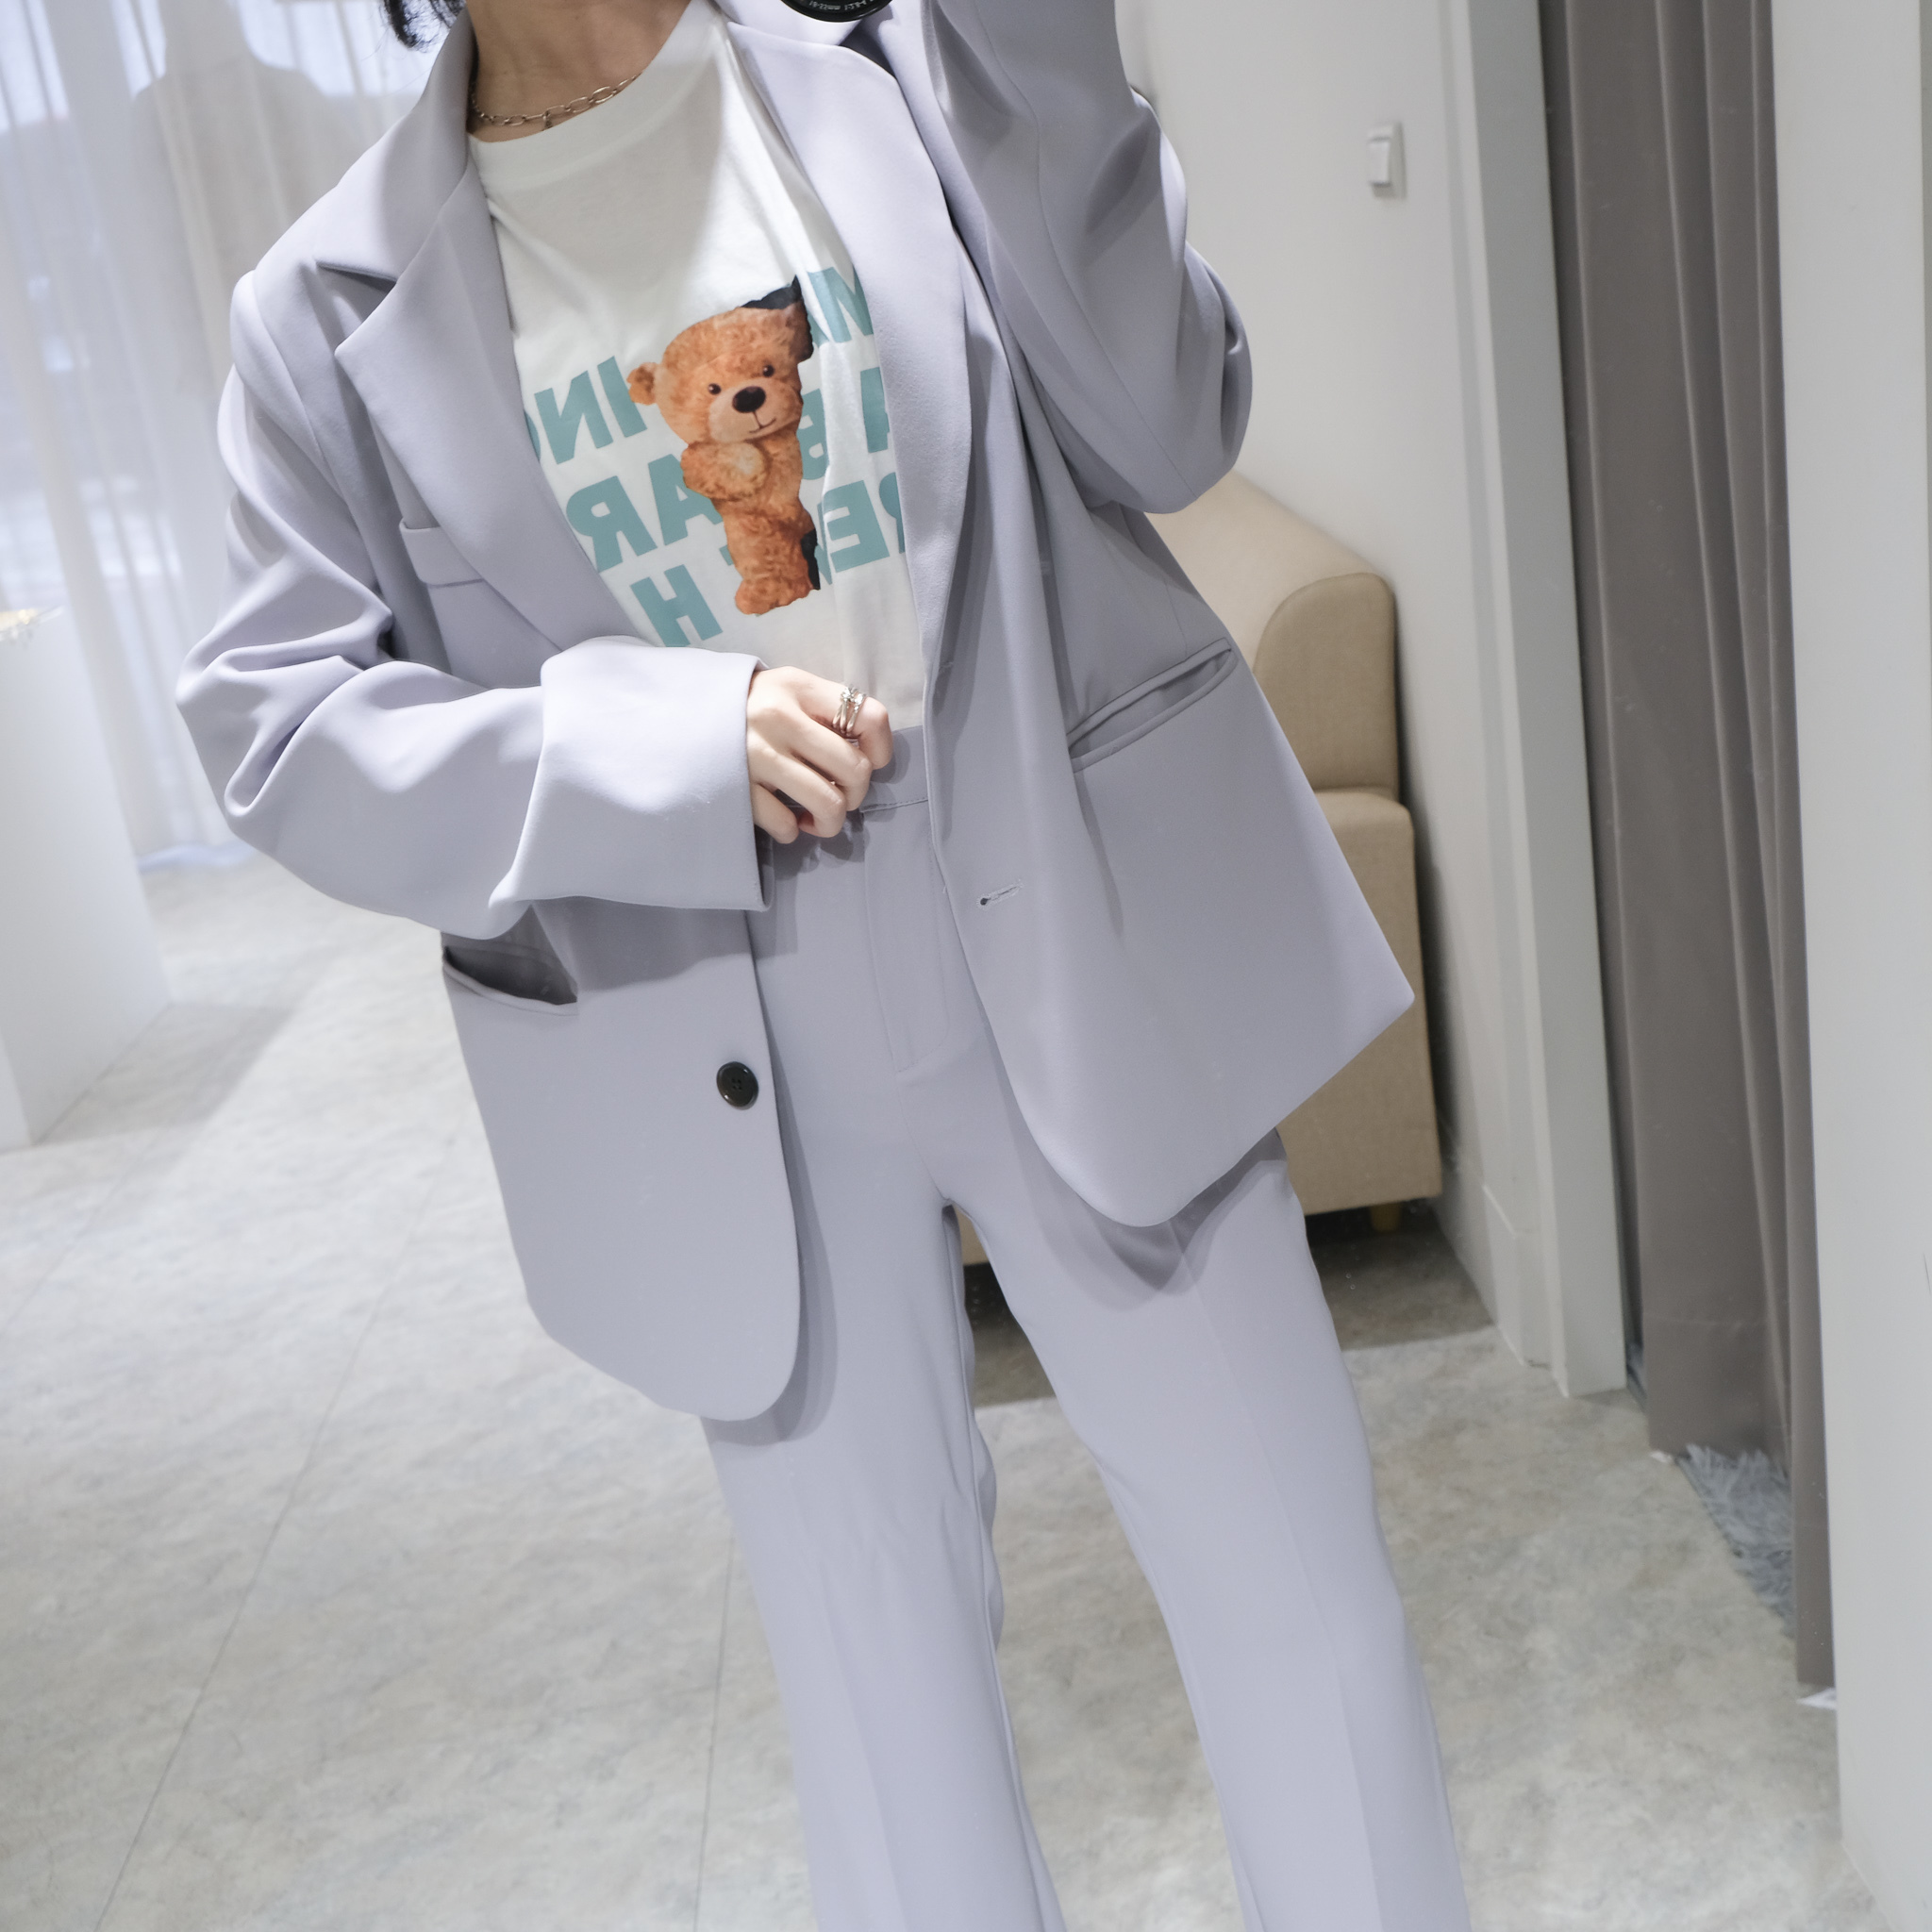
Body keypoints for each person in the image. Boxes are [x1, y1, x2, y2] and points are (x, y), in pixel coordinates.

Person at [176, 0, 1474, 1924]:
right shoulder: (322, 306)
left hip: (1069, 911)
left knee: (1304, 1604)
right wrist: (645, 748)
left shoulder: (909, 78)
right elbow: (277, 730)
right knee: (885, 1707)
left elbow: (1166, 418)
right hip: (698, 1020)